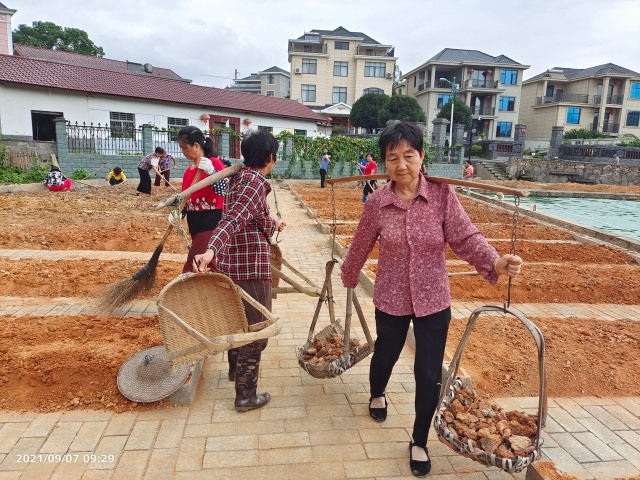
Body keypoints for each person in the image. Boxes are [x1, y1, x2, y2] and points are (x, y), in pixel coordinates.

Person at [340, 121, 523, 478]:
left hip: (433, 299)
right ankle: (377, 392)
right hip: (391, 297)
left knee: (428, 374)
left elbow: (465, 236)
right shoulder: (377, 203)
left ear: (422, 156)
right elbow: (361, 244)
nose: (402, 164)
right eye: (393, 158)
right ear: (384, 163)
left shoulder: (441, 196)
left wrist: (496, 262)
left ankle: (419, 440)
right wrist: (347, 276)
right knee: (386, 354)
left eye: (409, 155)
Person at [194, 131, 287, 412]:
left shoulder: (241, 177)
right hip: (250, 267)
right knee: (256, 331)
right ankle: (246, 395)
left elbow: (250, 217)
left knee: (238, 321)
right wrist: (211, 251)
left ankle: (236, 371)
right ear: (271, 158)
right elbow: (232, 219)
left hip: (235, 264)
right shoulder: (253, 182)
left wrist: (272, 225)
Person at [176, 126, 228, 274]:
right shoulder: (188, 171)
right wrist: (178, 213)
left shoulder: (214, 164)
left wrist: (212, 173)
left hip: (211, 223)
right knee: (207, 265)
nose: (182, 152)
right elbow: (186, 198)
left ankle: (189, 293)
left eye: (184, 148)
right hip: (195, 224)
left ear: (196, 146)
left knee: (193, 265)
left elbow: (224, 191)